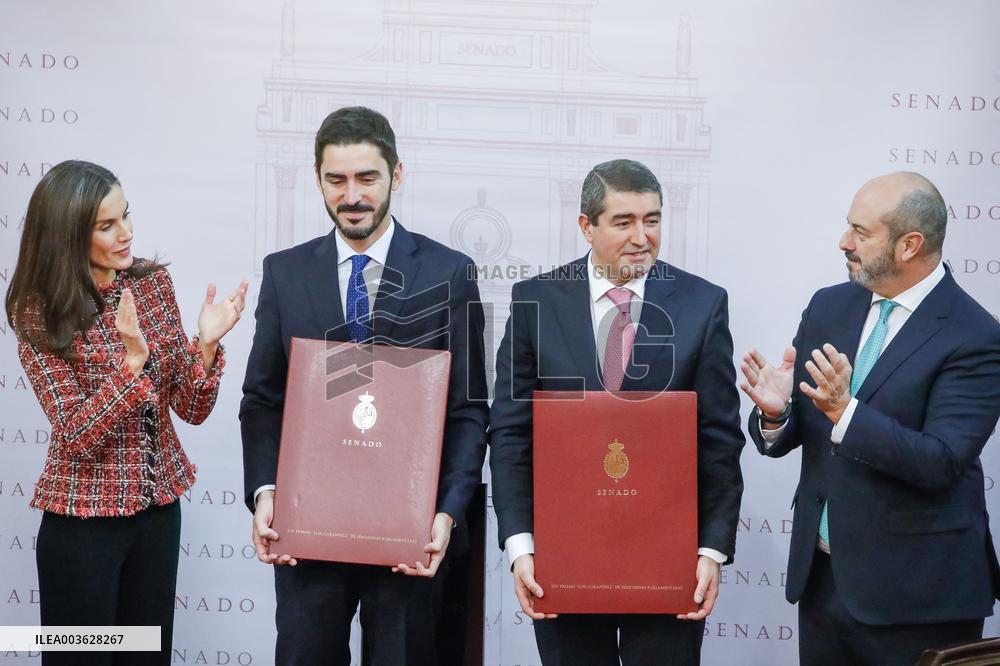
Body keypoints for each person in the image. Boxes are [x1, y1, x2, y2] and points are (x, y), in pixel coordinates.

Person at [240, 106, 489, 666]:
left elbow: (468, 409)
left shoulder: (449, 272)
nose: (352, 196)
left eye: (367, 178)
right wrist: (265, 492)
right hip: (308, 532)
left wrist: (446, 513)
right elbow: (262, 400)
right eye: (337, 180)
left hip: (410, 536)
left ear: (397, 174)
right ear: (318, 180)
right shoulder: (284, 273)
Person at [489, 159, 745, 665]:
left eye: (652, 220)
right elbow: (512, 433)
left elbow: (718, 438)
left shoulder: (703, 304)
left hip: (669, 559)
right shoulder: (535, 300)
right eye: (623, 222)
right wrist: (521, 546)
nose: (641, 237)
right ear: (586, 226)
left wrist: (711, 550)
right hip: (563, 556)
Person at [740, 171, 1000, 665]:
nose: (844, 242)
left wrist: (846, 411)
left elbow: (940, 461)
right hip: (823, 582)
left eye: (861, 232)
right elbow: (810, 424)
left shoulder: (975, 335)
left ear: (909, 245)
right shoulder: (829, 305)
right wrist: (778, 413)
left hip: (916, 596)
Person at [5, 160, 247, 665]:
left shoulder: (151, 285)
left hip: (157, 515)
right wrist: (133, 363)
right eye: (106, 225)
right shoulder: (39, 308)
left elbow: (190, 408)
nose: (126, 233)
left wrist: (205, 345)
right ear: (69, 234)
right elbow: (75, 434)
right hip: (82, 523)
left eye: (126, 216)